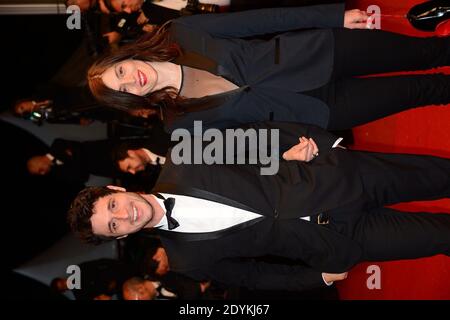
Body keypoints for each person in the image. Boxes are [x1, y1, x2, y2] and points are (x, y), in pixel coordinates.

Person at [68, 121, 450, 291]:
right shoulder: (186, 262)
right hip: (338, 241)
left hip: (340, 178)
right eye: (113, 226)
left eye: (113, 205)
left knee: (440, 176)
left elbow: (255, 134)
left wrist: (322, 143)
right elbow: (254, 278)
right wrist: (313, 279)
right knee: (440, 237)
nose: (123, 215)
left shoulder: (184, 158)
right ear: (120, 237)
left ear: (116, 187)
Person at [87, 3, 450, 133]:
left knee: (427, 53)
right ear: (130, 101)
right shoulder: (178, 122)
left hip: (322, 52)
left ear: (126, 58)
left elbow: (260, 21)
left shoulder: (181, 33)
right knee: (423, 92)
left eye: (120, 72)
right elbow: (252, 141)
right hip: (321, 111)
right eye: (123, 91)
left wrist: (332, 15)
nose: (130, 80)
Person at [27, 138, 118, 184]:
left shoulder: (57, 144)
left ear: (39, 161)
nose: (43, 173)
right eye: (40, 173)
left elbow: (79, 149)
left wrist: (77, 164)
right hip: (106, 170)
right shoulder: (59, 174)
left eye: (40, 170)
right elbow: (83, 178)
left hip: (107, 150)